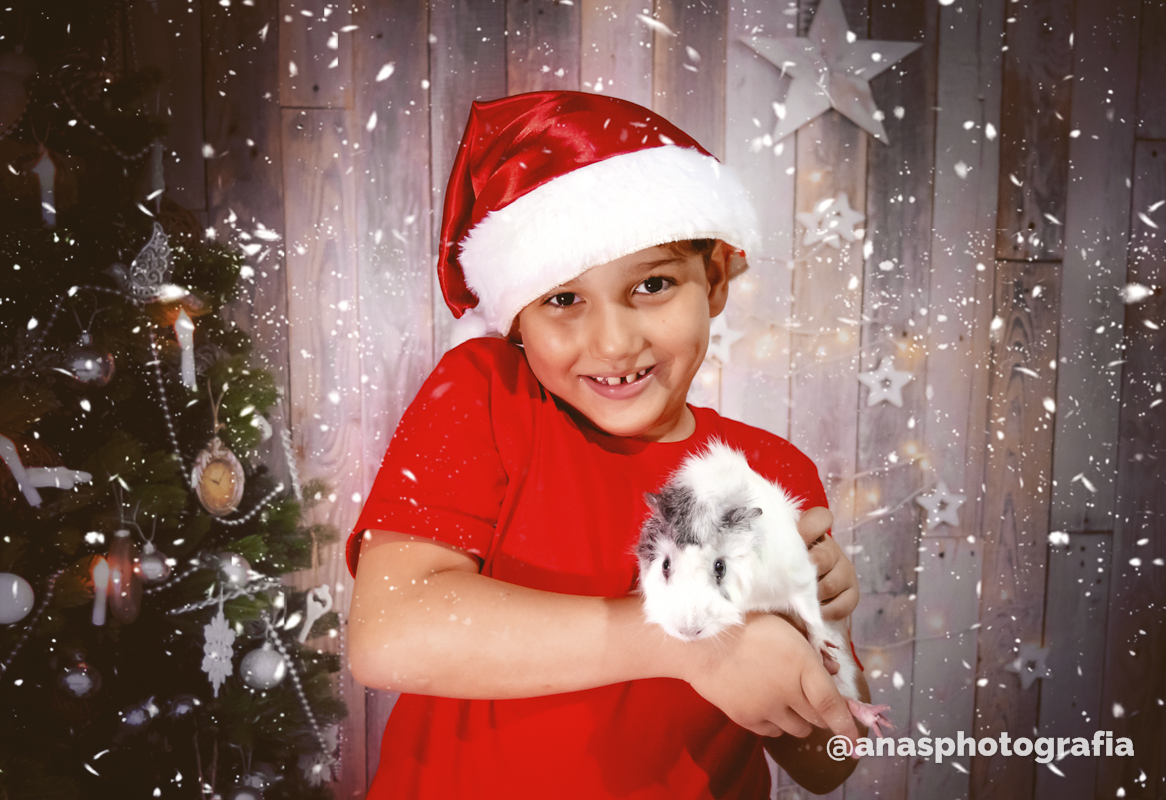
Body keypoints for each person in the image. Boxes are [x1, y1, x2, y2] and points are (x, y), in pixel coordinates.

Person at [346, 91, 867, 799]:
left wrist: (809, 625)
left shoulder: (772, 472)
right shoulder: (487, 396)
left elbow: (831, 761)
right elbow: (390, 633)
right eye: (563, 299)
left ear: (714, 279)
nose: (615, 343)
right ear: (516, 316)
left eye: (653, 284)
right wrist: (687, 643)